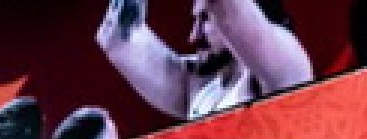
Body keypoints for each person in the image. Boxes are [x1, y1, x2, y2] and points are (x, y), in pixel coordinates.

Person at [96, 0, 313, 121]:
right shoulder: (200, 88)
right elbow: (116, 38)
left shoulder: (286, 69)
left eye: (205, 18)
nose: (193, 36)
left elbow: (229, 12)